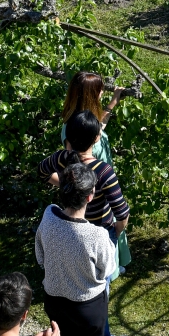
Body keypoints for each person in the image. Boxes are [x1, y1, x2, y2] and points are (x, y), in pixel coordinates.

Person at [39, 110, 132, 336]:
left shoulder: (63, 159)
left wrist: (65, 184)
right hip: (99, 234)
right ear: (97, 139)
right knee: (100, 288)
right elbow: (122, 212)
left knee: (70, 281)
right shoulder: (103, 171)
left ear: (68, 139)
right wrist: (114, 233)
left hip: (68, 229)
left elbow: (42, 171)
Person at [35, 163, 116, 336]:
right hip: (89, 306)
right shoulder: (97, 235)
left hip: (55, 301)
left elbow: (40, 256)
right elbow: (107, 270)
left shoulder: (49, 215)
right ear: (90, 196)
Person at [58, 72, 134, 273]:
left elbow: (98, 126)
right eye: (99, 90)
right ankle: (104, 272)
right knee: (100, 231)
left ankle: (111, 266)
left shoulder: (76, 122)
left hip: (97, 184)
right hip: (95, 191)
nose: (102, 92)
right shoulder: (72, 132)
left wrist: (112, 103)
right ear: (90, 95)